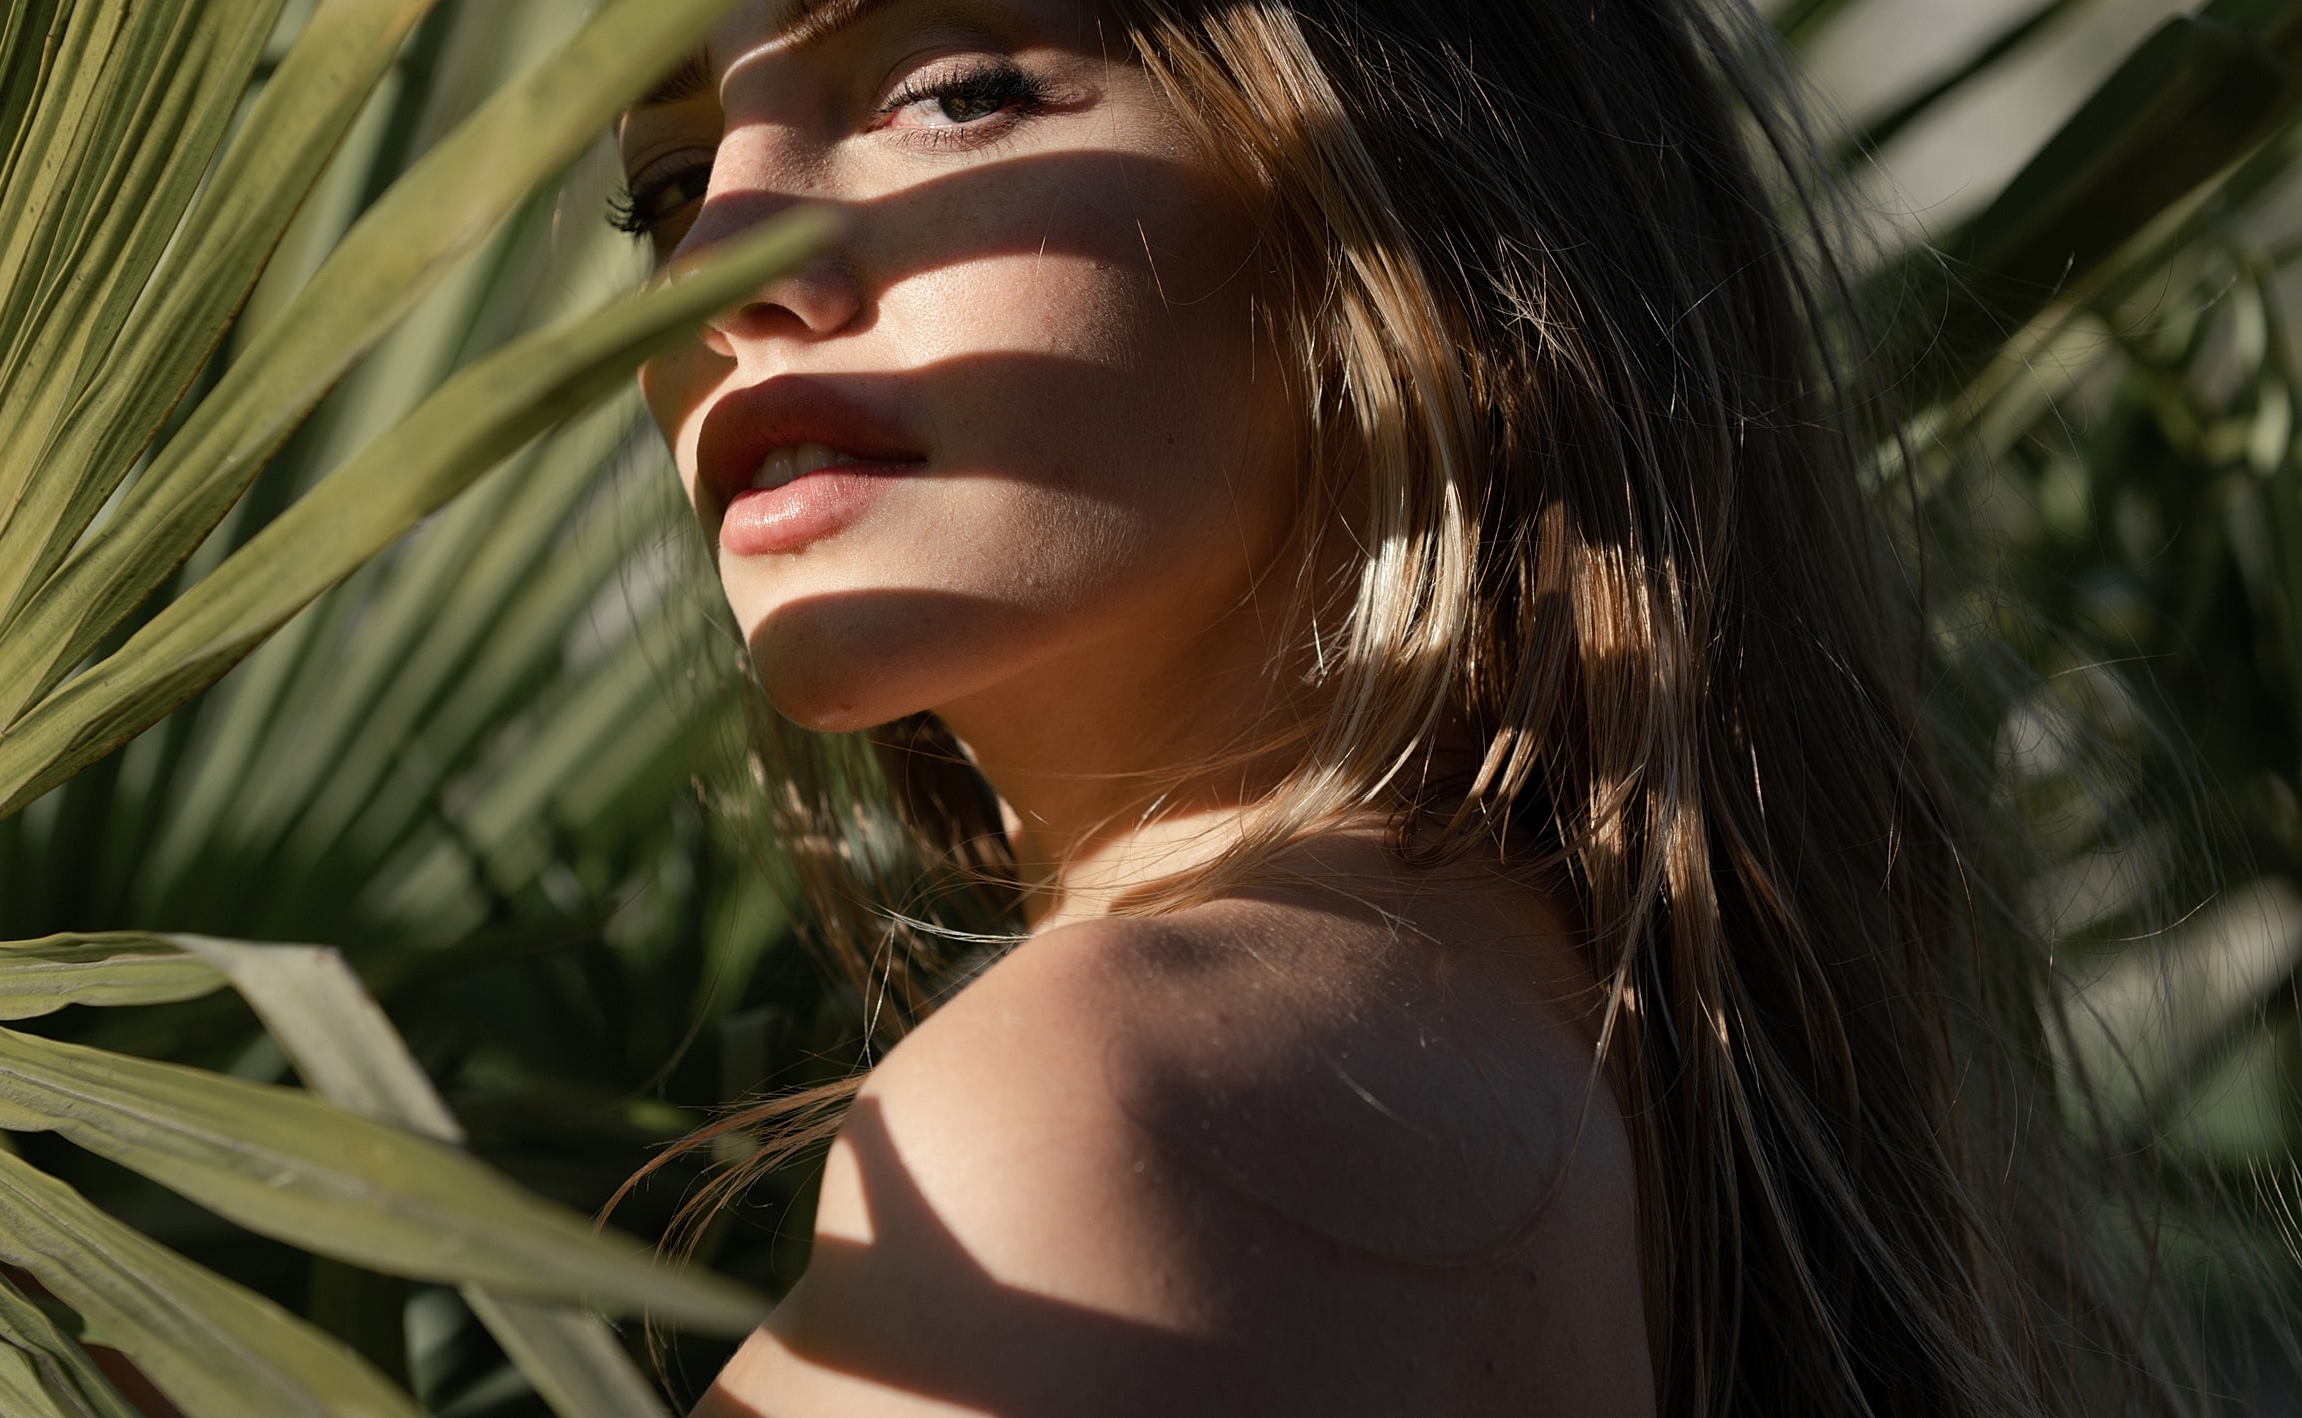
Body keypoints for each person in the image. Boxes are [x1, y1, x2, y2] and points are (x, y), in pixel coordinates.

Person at [611, 0, 2196, 1411]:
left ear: (1419, 218)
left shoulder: (1111, 1106)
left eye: (950, 91)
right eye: (666, 187)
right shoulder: (1581, 1124)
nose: (716, 264)